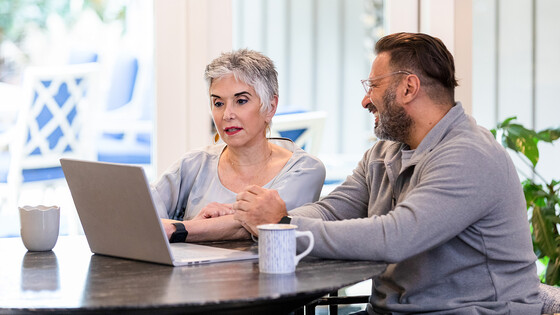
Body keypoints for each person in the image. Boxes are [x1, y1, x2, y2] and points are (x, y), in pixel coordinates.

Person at [233, 33, 542, 314]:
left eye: (373, 86)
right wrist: (262, 215)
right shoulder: (385, 153)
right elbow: (331, 211)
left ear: (408, 87)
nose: (365, 100)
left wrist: (283, 225)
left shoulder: (469, 155)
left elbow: (395, 237)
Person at [151, 49, 326, 243]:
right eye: (218, 103)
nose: (227, 114)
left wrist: (183, 228)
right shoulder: (193, 163)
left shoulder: (304, 169)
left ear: (270, 107)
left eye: (241, 101)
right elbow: (142, 217)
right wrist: (196, 225)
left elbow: (262, 223)